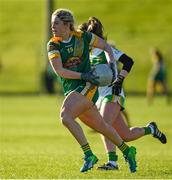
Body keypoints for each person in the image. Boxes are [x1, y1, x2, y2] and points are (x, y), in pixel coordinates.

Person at [47, 9, 137, 173]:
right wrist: (83, 74)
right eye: (52, 24)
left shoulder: (83, 37)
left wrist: (112, 68)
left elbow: (106, 47)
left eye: (56, 24)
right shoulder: (53, 44)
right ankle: (127, 151)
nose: (52, 27)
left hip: (87, 87)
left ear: (67, 24)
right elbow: (60, 71)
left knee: (65, 116)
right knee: (102, 126)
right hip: (73, 89)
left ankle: (89, 155)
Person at [78, 17, 167, 170]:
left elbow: (129, 61)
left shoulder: (106, 49)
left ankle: (112, 162)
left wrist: (119, 80)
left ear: (89, 36)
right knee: (126, 135)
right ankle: (151, 129)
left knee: (103, 124)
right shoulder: (88, 54)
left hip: (113, 91)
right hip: (99, 97)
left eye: (81, 37)